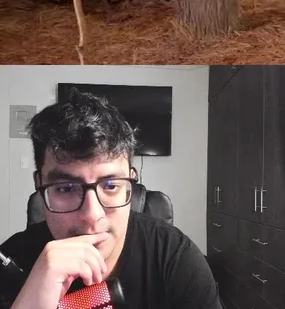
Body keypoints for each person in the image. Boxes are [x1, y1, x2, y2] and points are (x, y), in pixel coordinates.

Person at [0, 90, 219, 309]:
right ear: (39, 185)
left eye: (111, 186)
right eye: (66, 189)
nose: (92, 215)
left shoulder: (175, 258)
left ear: (131, 183)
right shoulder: (10, 261)